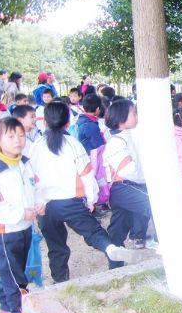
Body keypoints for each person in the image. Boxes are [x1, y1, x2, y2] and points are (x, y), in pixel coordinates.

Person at [28, 102, 137, 282]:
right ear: (67, 122)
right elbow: (86, 173)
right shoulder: (72, 143)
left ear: (45, 122)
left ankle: (60, 280)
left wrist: (35, 202)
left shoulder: (36, 145)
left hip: (45, 206)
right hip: (70, 202)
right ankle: (110, 249)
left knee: (56, 246)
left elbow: (30, 177)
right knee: (93, 232)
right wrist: (91, 199)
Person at [0, 117, 41, 313]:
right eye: (11, 136)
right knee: (16, 278)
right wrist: (20, 213)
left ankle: (6, 310)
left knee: (11, 272)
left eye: (21, 135)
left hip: (24, 229)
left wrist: (39, 203)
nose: (18, 140)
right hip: (4, 232)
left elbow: (36, 188)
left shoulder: (25, 163)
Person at [103, 99, 152, 257]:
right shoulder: (116, 142)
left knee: (118, 229)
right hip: (123, 187)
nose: (136, 116)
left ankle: (115, 263)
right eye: (133, 113)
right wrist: (146, 176)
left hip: (129, 186)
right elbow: (129, 171)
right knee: (155, 205)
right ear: (121, 118)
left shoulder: (130, 135)